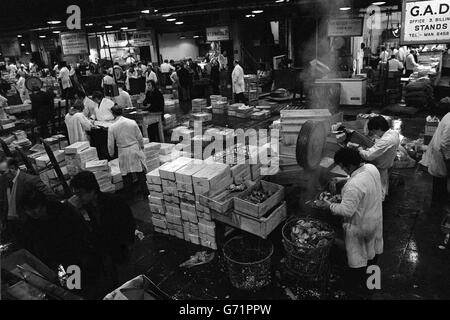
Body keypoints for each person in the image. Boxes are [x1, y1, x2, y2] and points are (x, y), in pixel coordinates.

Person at [318, 148, 383, 294]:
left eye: (341, 166)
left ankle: (354, 289)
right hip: (374, 217)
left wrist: (329, 205)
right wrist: (342, 179)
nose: (341, 169)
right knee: (371, 252)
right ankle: (372, 282)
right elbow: (361, 179)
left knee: (357, 258)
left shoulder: (353, 186)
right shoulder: (371, 168)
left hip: (360, 225)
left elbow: (346, 211)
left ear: (346, 164)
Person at [70, 171, 136, 290]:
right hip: (106, 249)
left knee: (127, 282)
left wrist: (128, 244)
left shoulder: (115, 202)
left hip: (120, 248)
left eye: (80, 194)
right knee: (113, 279)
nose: (77, 198)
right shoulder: (89, 205)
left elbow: (129, 224)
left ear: (92, 190)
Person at [0, 157, 57, 242]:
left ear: (12, 169)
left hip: (30, 225)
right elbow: (5, 202)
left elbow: (51, 197)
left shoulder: (30, 180)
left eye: (2, 172)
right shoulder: (4, 181)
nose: (0, 175)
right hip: (12, 225)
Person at [108, 106, 148, 199]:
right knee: (140, 172)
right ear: (121, 112)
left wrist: (111, 153)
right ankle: (145, 193)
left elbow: (110, 144)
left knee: (126, 175)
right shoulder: (131, 122)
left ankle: (129, 196)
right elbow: (139, 136)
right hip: (134, 148)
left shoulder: (112, 127)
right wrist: (141, 146)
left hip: (123, 151)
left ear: (113, 114)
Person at [358, 116, 400, 201]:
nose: (374, 134)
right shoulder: (393, 133)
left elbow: (368, 156)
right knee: (382, 187)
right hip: (386, 164)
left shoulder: (387, 140)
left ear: (379, 128)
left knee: (379, 191)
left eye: (374, 131)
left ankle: (378, 207)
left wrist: (360, 150)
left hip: (381, 167)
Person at [420, 111, 450, 205]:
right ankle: (438, 207)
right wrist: (448, 159)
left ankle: (440, 202)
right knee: (440, 181)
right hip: (442, 153)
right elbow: (445, 144)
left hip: (441, 151)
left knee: (440, 181)